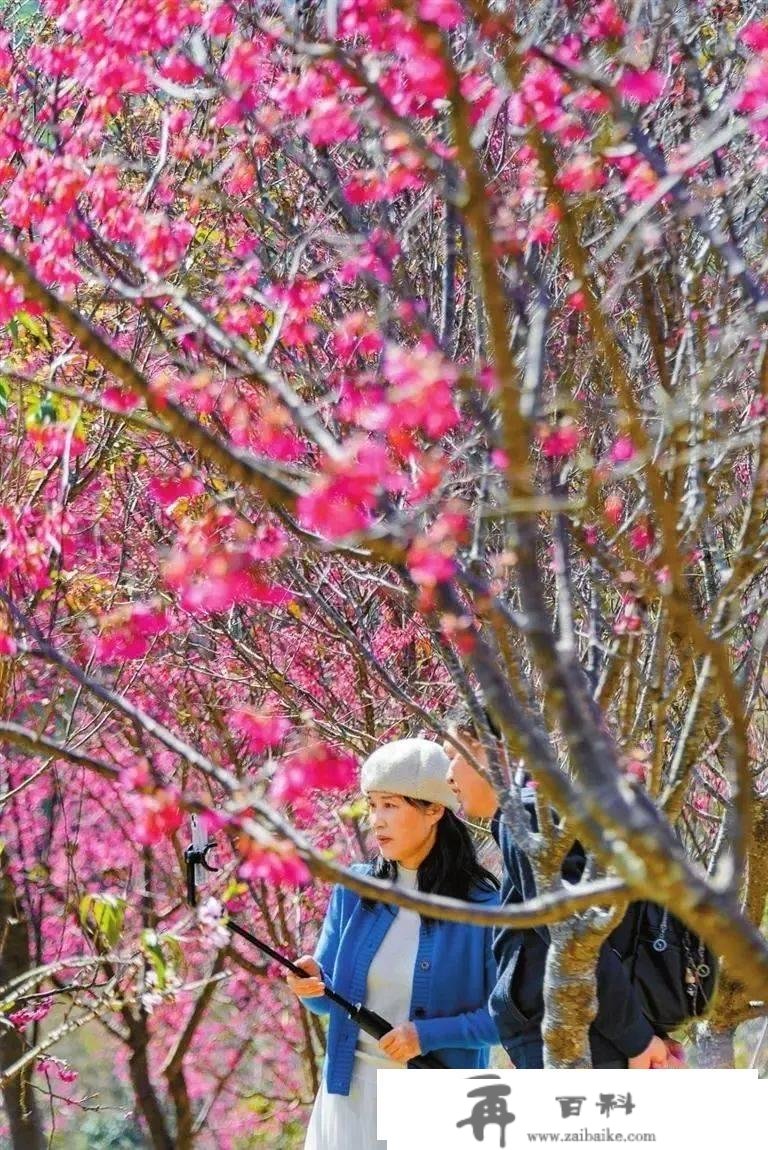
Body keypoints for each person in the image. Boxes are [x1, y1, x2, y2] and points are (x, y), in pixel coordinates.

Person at [286, 738, 500, 1149]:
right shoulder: (356, 890)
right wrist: (310, 982)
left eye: (390, 805)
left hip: (436, 1109)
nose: (375, 820)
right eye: (371, 805)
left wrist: (427, 1035)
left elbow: (506, 1017)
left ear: (434, 809)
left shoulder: (485, 908)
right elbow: (326, 998)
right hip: (348, 1097)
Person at [442, 718, 685, 1070]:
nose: (448, 775)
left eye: (454, 754)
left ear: (494, 750)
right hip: (588, 1035)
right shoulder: (533, 814)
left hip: (589, 1040)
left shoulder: (524, 816)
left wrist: (638, 1040)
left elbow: (575, 939)